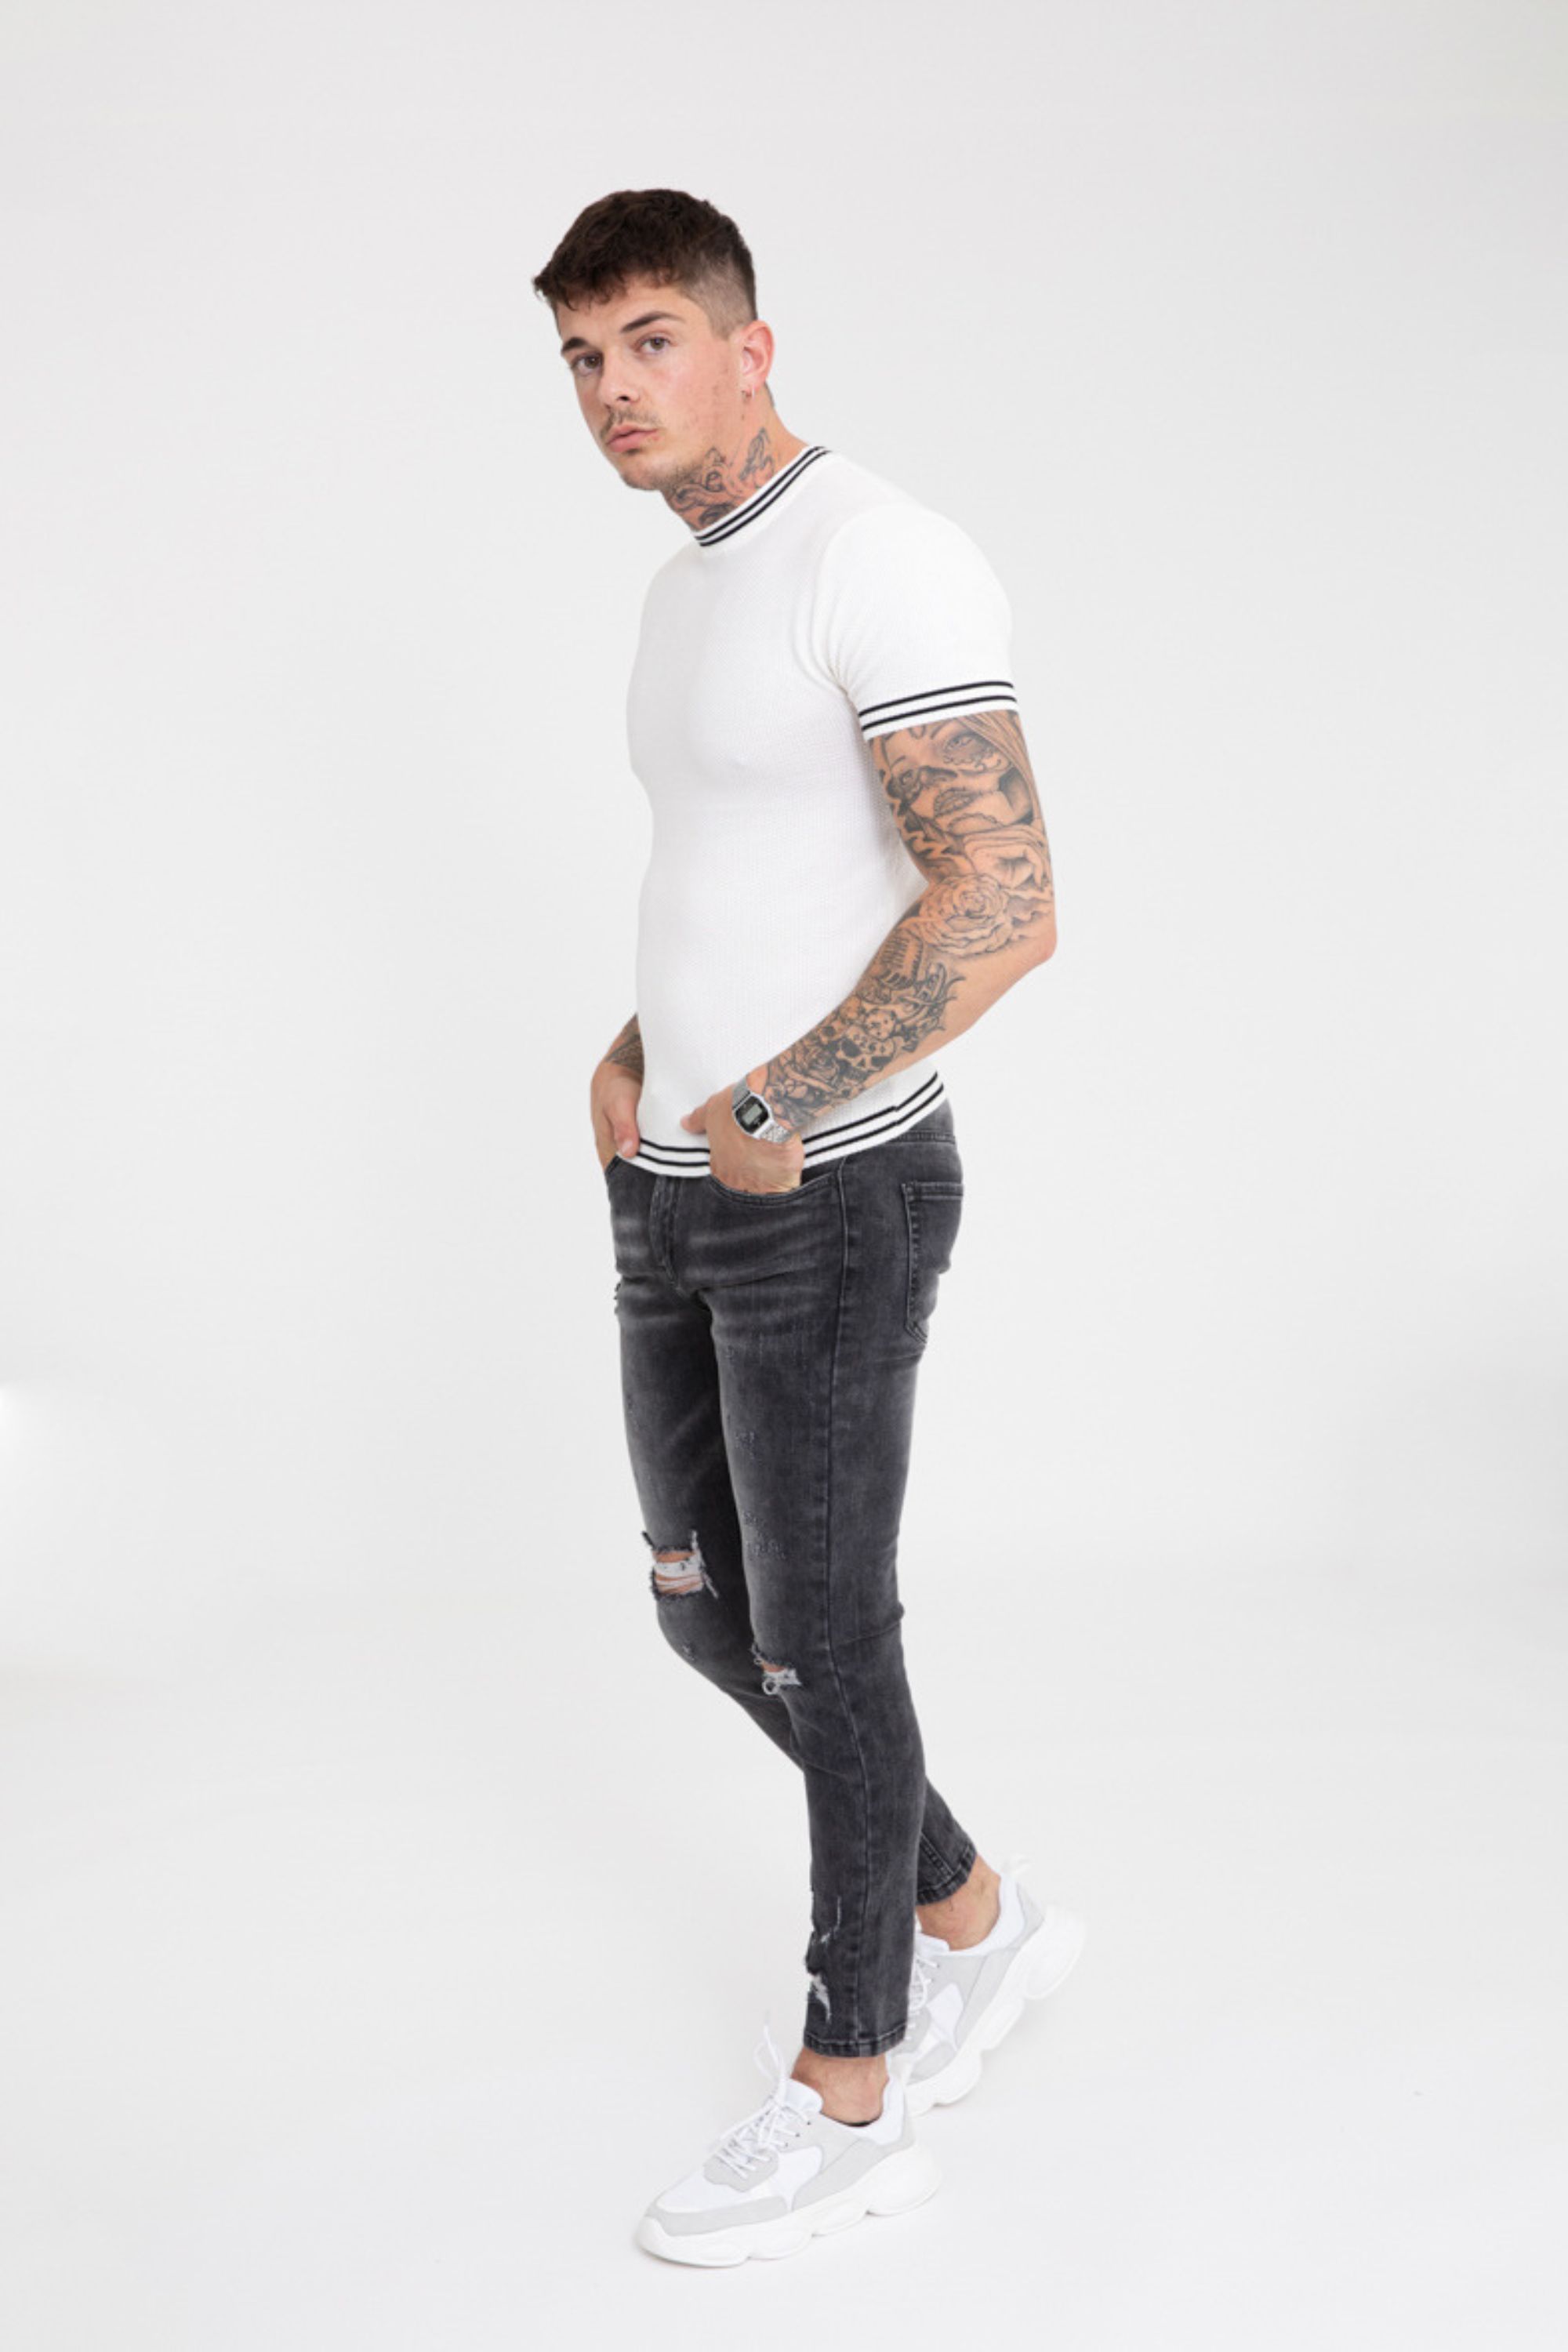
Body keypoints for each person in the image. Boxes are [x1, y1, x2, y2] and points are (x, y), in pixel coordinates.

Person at [532, 187, 1085, 2265]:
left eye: (651, 340)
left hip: (827, 1192)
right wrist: (643, 1048)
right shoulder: (687, 589)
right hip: (675, 1185)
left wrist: (777, 1094)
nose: (614, 389)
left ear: (750, 346)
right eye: (583, 358)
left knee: (822, 1634)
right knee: (710, 1615)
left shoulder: (879, 556)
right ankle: (975, 1917)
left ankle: (855, 2086)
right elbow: (750, 865)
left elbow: (1004, 900)